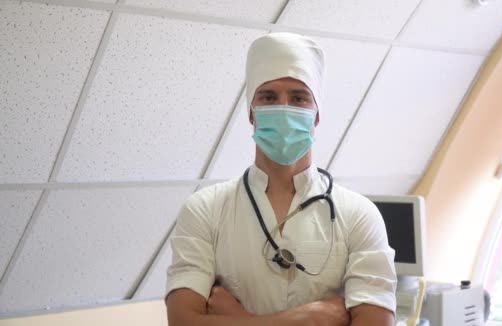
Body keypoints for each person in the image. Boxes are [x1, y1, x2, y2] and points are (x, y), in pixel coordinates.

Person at [165, 32, 397, 326]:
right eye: (269, 97)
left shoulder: (359, 215)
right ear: (252, 113)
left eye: (299, 98)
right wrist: (304, 318)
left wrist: (241, 320)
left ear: (316, 115)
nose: (284, 107)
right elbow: (182, 321)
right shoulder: (204, 210)